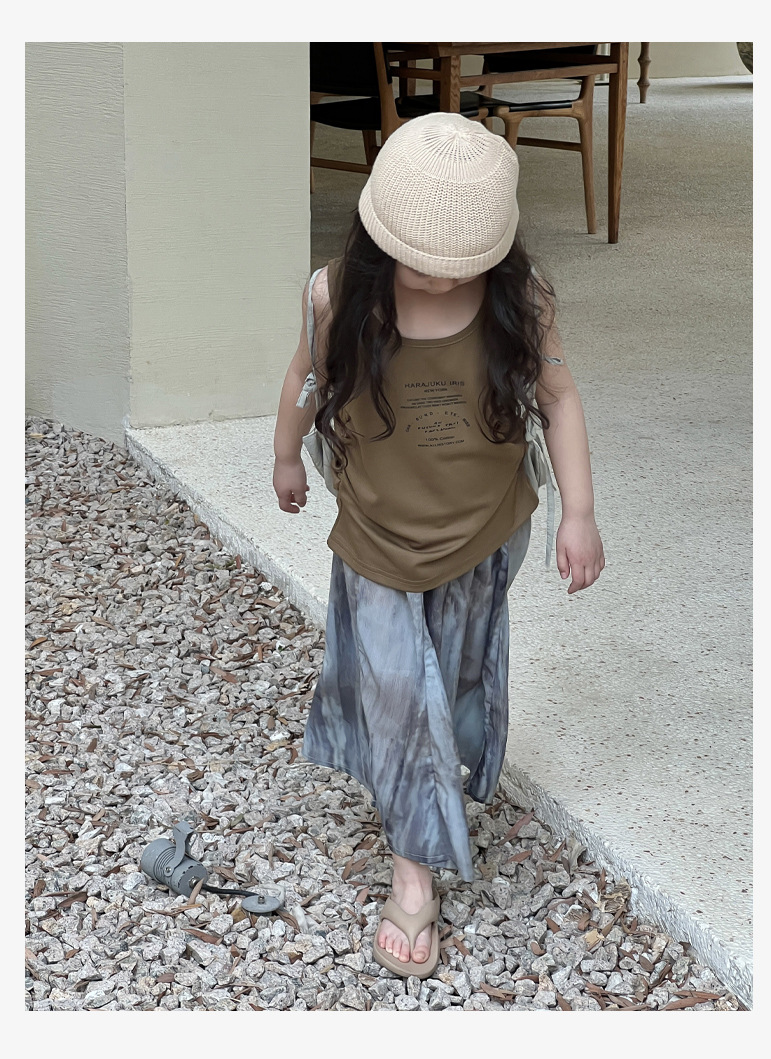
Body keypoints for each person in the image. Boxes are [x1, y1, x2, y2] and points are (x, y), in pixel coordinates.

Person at [272, 113, 605, 981]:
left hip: (482, 533)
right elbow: (303, 381)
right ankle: (413, 875)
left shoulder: (520, 300)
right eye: (422, 261)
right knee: (394, 682)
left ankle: (424, 783)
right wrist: (285, 457)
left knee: (448, 681)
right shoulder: (336, 296)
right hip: (376, 536)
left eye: (463, 263)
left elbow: (559, 400)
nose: (442, 279)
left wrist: (578, 511)